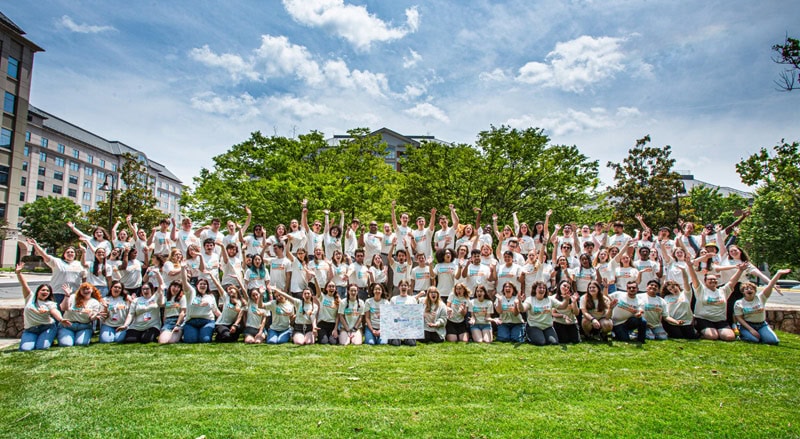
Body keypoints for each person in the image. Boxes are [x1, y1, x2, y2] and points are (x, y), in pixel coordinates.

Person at [685, 254, 747, 341]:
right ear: (705, 282)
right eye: (710, 279)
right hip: (704, 319)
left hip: (720, 320)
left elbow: (732, 281)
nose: (713, 281)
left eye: (714, 279)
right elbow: (694, 278)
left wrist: (740, 270)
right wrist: (690, 267)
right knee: (712, 336)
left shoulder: (723, 291)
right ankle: (699, 329)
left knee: (729, 337)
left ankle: (718, 331)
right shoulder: (700, 290)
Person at [16, 263, 66, 351]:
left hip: (47, 327)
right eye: (43, 290)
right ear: (38, 291)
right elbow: (24, 285)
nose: (45, 292)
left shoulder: (50, 303)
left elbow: (55, 311)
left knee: (41, 347)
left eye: (47, 291)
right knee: (25, 349)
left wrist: (61, 319)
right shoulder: (30, 297)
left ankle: (49, 336)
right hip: (30, 329)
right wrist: (19, 273)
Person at [734, 269, 790, 345]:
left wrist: (778, 273)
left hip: (762, 325)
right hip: (747, 325)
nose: (749, 290)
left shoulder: (761, 297)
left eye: (751, 289)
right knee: (754, 340)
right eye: (746, 289)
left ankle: (762, 334)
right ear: (743, 292)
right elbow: (739, 318)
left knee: (773, 341)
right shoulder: (739, 303)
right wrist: (751, 330)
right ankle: (743, 335)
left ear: (755, 291)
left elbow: (770, 285)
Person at [27, 238, 84, 306]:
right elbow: (44, 255)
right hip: (57, 293)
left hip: (74, 294)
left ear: (75, 254)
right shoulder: (57, 262)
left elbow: (84, 278)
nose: (70, 253)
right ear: (64, 254)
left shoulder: (79, 264)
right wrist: (36, 245)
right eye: (67, 252)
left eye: (72, 252)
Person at [521, 281, 569, 346]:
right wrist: (519, 302)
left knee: (554, 343)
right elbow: (523, 309)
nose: (542, 289)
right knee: (541, 342)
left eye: (544, 288)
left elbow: (563, 306)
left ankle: (542, 334)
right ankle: (528, 334)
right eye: (540, 288)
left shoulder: (550, 299)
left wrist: (566, 299)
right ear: (535, 289)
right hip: (534, 326)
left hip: (547, 326)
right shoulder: (530, 299)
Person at [57, 282, 103, 347]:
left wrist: (96, 316)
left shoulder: (95, 302)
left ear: (92, 290)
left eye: (87, 289)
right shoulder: (72, 297)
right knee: (66, 344)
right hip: (68, 325)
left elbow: (91, 318)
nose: (85, 291)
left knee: (81, 344)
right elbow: (63, 308)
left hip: (84, 327)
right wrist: (67, 295)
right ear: (80, 290)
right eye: (83, 289)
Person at [182, 267, 220, 343]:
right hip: (191, 322)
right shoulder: (191, 293)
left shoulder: (211, 296)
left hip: (207, 321)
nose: (203, 285)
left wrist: (225, 321)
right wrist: (183, 269)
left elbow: (216, 311)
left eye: (205, 284)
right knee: (190, 340)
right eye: (201, 284)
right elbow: (184, 282)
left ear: (207, 286)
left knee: (205, 340)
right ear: (197, 286)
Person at [660, 268, 697, 340]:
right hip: (672, 322)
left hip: (686, 322)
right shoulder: (667, 297)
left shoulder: (686, 293)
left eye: (673, 287)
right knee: (678, 336)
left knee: (690, 337)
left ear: (677, 285)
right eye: (670, 289)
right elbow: (665, 314)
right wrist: (676, 322)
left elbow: (686, 281)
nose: (673, 290)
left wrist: (683, 270)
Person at [208, 274, 245, 343]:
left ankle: (227, 336)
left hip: (231, 324)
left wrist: (235, 325)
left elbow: (239, 315)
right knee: (227, 337)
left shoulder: (241, 302)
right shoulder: (226, 298)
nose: (230, 291)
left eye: (231, 289)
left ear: (236, 290)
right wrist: (211, 275)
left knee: (239, 329)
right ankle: (220, 336)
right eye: (229, 290)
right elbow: (218, 286)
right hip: (221, 323)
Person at [388, 280, 419, 346]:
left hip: (408, 326)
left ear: (408, 287)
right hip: (396, 325)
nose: (403, 287)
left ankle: (406, 338)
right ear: (399, 287)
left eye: (405, 285)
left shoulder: (412, 299)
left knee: (412, 344)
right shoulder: (393, 299)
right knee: (396, 344)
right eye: (402, 285)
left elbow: (415, 314)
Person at [159, 279, 187, 345]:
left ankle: (179, 334)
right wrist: (160, 293)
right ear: (170, 286)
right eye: (174, 286)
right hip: (168, 321)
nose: (176, 289)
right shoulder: (167, 298)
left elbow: (183, 312)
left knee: (172, 341)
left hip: (178, 321)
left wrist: (177, 325)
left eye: (178, 287)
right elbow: (161, 305)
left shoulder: (182, 297)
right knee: (163, 341)